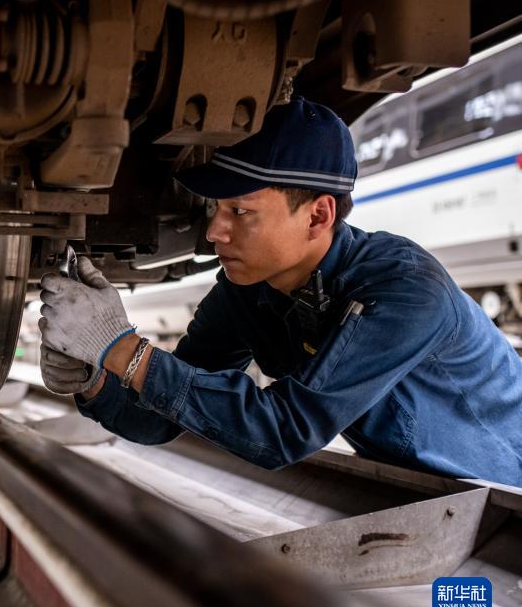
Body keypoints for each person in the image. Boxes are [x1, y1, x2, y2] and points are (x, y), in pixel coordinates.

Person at [38, 96, 522, 487]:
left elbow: (284, 432)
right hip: (437, 499)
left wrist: (125, 349)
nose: (214, 233)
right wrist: (94, 378)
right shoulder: (247, 292)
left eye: (240, 212)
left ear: (318, 216)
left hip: (507, 495)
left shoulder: (405, 291)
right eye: (215, 208)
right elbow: (160, 419)